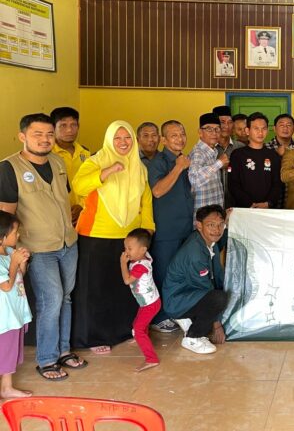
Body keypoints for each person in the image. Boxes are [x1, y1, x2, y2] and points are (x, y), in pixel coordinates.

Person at [0, 114, 85, 381]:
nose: (45, 139)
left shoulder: (58, 162)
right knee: (51, 301)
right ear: (22, 136)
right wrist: (12, 255)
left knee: (67, 297)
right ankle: (47, 359)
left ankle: (63, 350)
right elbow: (5, 218)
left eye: (49, 134)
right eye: (38, 134)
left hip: (68, 243)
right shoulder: (8, 168)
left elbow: (63, 198)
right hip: (37, 247)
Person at [71, 120, 154, 354]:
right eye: (117, 138)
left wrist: (147, 230)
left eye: (127, 137)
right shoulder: (95, 162)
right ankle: (95, 336)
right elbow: (79, 186)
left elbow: (145, 201)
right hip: (95, 236)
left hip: (128, 238)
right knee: (96, 289)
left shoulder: (139, 167)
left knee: (124, 288)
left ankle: (122, 331)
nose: (123, 142)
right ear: (109, 140)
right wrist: (107, 172)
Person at [147, 120, 193, 333]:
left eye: (182, 134)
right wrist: (178, 167)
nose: (180, 139)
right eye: (174, 135)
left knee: (179, 272)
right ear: (163, 140)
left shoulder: (183, 159)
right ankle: (159, 317)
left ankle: (177, 311)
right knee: (163, 272)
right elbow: (157, 190)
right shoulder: (160, 161)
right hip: (166, 228)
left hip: (184, 226)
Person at [163, 205, 228, 355]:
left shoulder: (208, 241)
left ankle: (188, 320)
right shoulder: (195, 254)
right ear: (199, 225)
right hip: (177, 300)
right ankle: (193, 337)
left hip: (188, 293)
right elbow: (207, 289)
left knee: (219, 294)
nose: (217, 230)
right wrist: (216, 326)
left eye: (221, 225)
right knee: (218, 298)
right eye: (211, 225)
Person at [0, 212, 32, 398]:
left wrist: (22, 263)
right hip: (4, 317)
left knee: (10, 351)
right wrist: (14, 263)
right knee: (3, 351)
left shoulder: (11, 252)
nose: (18, 235)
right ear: (2, 238)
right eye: (14, 232)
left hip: (15, 312)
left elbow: (20, 276)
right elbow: (6, 286)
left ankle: (6, 387)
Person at [119, 228, 161, 372]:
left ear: (143, 249)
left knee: (138, 329)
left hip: (149, 304)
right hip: (150, 301)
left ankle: (151, 359)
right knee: (139, 323)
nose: (126, 252)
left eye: (130, 248)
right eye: (125, 248)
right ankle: (140, 337)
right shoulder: (145, 257)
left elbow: (127, 280)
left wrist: (122, 264)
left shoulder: (140, 267)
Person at [228, 112, 283, 209]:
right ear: (247, 130)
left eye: (264, 128)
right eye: (256, 128)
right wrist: (249, 204)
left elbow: (277, 183)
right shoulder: (237, 155)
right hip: (244, 209)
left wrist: (268, 203)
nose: (260, 132)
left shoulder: (273, 155)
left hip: (267, 210)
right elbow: (233, 184)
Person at [50, 106, 90, 219]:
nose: (69, 130)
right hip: (55, 215)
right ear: (52, 127)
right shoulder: (47, 154)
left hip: (82, 214)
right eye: (63, 125)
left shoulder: (85, 153)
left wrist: (81, 205)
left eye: (74, 125)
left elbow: (90, 185)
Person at [189, 113, 229, 212]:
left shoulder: (213, 151)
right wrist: (219, 163)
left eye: (217, 129)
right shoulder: (198, 152)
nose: (214, 133)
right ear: (200, 132)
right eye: (209, 129)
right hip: (203, 216)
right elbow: (194, 179)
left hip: (213, 213)